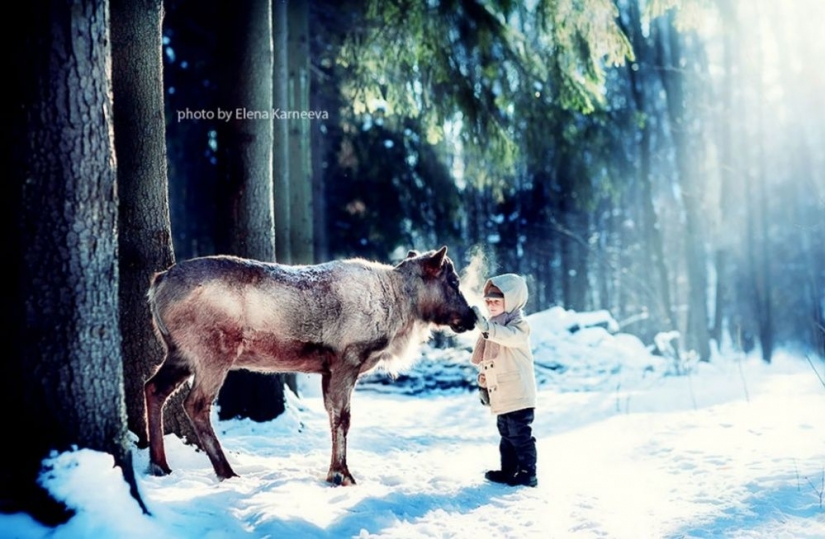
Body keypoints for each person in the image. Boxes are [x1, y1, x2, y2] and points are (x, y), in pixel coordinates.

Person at [471, 274, 538, 487]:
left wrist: (486, 328)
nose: (490, 306)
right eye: (488, 302)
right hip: (502, 394)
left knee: (520, 435)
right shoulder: (492, 327)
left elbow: (508, 337)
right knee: (506, 434)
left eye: (496, 302)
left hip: (518, 394)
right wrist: (483, 383)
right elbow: (488, 361)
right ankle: (509, 470)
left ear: (511, 301)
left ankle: (529, 472)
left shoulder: (519, 326)